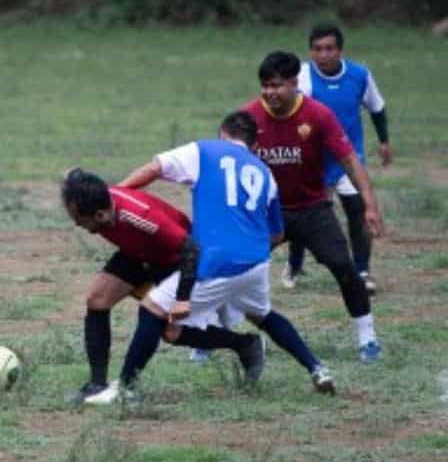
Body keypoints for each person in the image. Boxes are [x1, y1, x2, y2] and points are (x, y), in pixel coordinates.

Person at [103, 112, 337, 402]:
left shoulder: (204, 150)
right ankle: (316, 367)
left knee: (152, 309)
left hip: (216, 263)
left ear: (222, 134)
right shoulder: (265, 173)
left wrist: (117, 196)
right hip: (255, 262)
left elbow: (154, 168)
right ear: (253, 146)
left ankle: (125, 388)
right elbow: (276, 235)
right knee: (262, 314)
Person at [244, 51, 384, 363]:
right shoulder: (250, 117)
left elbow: (350, 160)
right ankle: (207, 337)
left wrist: (369, 205)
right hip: (268, 211)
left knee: (345, 268)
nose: (270, 92)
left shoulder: (318, 115)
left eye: (277, 85)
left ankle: (368, 338)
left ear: (295, 83)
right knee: (229, 268)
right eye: (265, 85)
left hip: (312, 209)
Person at [60, 168, 203, 403]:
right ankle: (97, 385)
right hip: (139, 252)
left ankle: (244, 344)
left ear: (100, 216)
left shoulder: (140, 218)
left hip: (173, 261)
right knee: (97, 299)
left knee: (171, 332)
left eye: (79, 220)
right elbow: (73, 175)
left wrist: (182, 298)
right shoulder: (100, 203)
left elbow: (191, 248)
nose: (77, 224)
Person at [285, 23, 393, 293]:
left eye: (330, 48)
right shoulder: (302, 76)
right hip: (312, 161)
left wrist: (384, 141)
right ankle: (295, 264)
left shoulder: (359, 75)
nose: (324, 54)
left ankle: (362, 270)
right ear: (310, 52)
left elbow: (377, 108)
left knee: (357, 212)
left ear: (340, 50)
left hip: (348, 157)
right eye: (318, 49)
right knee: (304, 215)